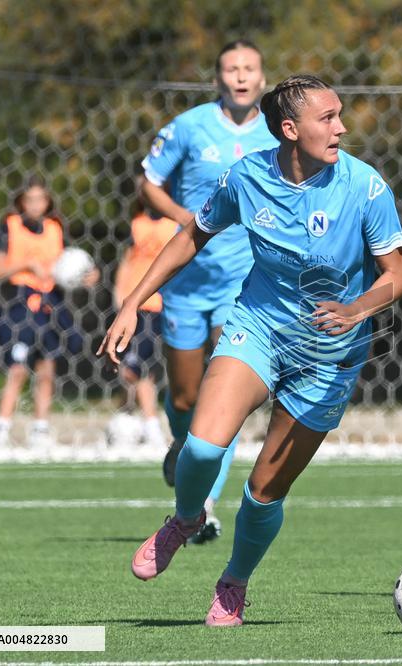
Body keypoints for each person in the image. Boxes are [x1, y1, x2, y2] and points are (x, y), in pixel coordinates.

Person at [99, 75, 402, 626]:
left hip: (330, 354)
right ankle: (186, 518)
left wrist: (358, 309)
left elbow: (396, 274)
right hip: (259, 327)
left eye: (340, 116)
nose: (341, 128)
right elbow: (192, 235)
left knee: (264, 491)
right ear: (290, 130)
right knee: (199, 446)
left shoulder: (365, 186)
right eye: (328, 118)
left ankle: (234, 583)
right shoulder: (247, 177)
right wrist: (132, 302)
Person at [140, 39, 277, 542]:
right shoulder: (189, 127)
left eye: (249, 68)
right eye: (230, 69)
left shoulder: (276, 131)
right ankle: (185, 448)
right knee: (185, 395)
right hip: (186, 282)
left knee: (225, 395)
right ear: (217, 78)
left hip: (242, 282)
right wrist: (183, 219)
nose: (240, 76)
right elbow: (149, 181)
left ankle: (204, 505)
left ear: (262, 78)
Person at [0, 175, 98, 449]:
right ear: (21, 202)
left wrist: (86, 275)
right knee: (18, 368)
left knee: (47, 367)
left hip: (52, 303)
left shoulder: (55, 228)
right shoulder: (10, 227)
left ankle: (40, 428)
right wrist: (26, 264)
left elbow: (70, 264)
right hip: (21, 304)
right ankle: (1, 428)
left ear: (48, 201)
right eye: (30, 200)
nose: (35, 205)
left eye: (40, 199)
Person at [109, 176, 174, 449]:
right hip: (138, 307)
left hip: (168, 305)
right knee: (135, 368)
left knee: (151, 369)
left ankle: (141, 420)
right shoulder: (135, 224)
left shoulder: (175, 223)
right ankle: (149, 425)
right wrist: (119, 296)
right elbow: (126, 261)